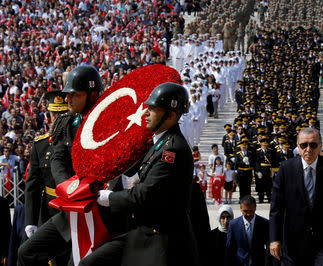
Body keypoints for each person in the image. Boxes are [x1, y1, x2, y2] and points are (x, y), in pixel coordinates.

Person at [81, 82, 200, 266]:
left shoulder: (173, 150)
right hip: (144, 233)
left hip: (161, 240)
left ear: (170, 115)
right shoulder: (160, 141)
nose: (145, 113)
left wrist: (106, 197)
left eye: (153, 109)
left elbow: (144, 194)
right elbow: (134, 168)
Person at [18, 65, 106, 266]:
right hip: (69, 206)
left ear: (92, 94)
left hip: (98, 209)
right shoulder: (67, 123)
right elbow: (57, 158)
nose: (67, 100)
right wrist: (70, 188)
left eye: (74, 95)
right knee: (27, 252)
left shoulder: (108, 123)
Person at [270, 128, 323, 265]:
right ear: (297, 146)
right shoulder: (286, 169)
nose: (308, 149)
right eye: (303, 145)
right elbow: (276, 208)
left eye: (313, 145)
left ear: (320, 146)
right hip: (293, 241)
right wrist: (274, 239)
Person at [24, 91, 69, 236]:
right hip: (49, 209)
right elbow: (33, 186)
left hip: (73, 207)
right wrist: (30, 221)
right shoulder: (40, 145)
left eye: (62, 114)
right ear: (49, 116)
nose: (57, 119)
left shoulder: (77, 142)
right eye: (54, 115)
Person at [225, 195, 269, 266]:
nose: (248, 214)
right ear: (241, 209)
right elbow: (229, 249)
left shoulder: (265, 223)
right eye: (245, 211)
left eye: (251, 211)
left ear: (255, 208)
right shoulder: (233, 225)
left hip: (259, 262)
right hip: (240, 262)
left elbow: (268, 247)